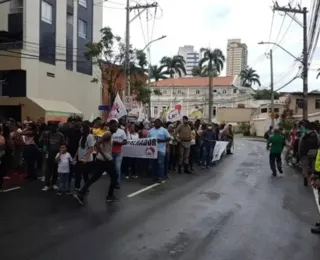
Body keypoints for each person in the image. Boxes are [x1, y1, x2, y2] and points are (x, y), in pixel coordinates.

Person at [74, 119, 119, 205]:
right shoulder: (108, 134)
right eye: (115, 126)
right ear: (110, 126)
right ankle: (110, 196)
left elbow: (104, 144)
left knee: (94, 177)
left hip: (101, 159)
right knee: (114, 176)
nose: (116, 128)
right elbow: (97, 144)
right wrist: (104, 155)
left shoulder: (109, 134)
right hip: (106, 160)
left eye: (117, 126)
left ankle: (81, 192)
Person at [148, 118, 171, 182]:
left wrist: (161, 140)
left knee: (160, 164)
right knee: (154, 164)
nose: (155, 124)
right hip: (152, 150)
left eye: (157, 123)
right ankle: (154, 176)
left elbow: (169, 138)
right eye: (155, 123)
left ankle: (160, 177)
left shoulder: (164, 130)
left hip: (161, 149)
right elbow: (147, 139)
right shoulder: (151, 130)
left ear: (160, 123)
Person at [74, 123, 95, 191]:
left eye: (81, 128)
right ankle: (85, 187)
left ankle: (78, 187)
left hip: (86, 160)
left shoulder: (90, 136)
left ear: (84, 129)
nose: (80, 129)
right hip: (80, 158)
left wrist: (86, 158)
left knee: (80, 174)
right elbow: (79, 147)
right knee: (83, 174)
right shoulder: (82, 136)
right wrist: (75, 156)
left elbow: (91, 148)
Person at [298, 121, 320, 186]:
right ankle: (313, 180)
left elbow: (300, 146)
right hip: (313, 153)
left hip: (305, 154)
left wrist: (299, 155)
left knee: (305, 167)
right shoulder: (317, 135)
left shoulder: (304, 135)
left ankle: (305, 179)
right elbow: (318, 144)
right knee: (313, 166)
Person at [111, 119, 127, 188]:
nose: (115, 127)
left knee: (117, 168)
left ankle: (117, 182)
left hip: (119, 152)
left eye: (116, 125)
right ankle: (112, 181)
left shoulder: (122, 132)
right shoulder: (109, 132)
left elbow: (125, 141)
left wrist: (119, 143)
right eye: (113, 125)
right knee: (111, 168)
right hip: (110, 152)